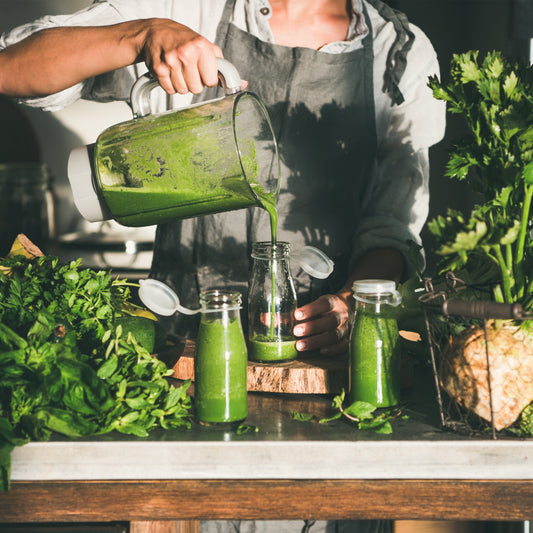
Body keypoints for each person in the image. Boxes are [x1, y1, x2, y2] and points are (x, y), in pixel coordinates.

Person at [0, 2, 445, 530]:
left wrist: (353, 300)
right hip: (179, 383)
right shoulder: (193, 9)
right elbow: (11, 66)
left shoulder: (401, 53)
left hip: (327, 394)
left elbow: (392, 227)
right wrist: (142, 36)